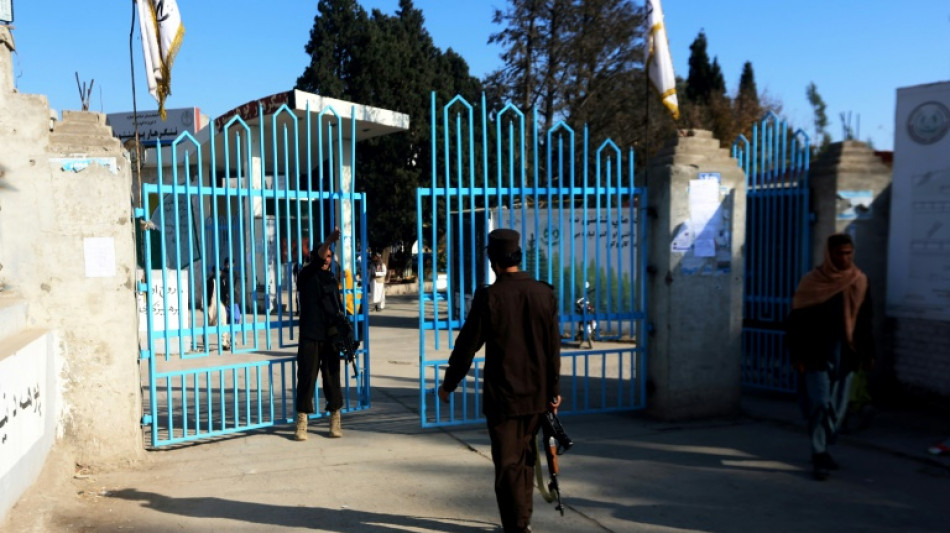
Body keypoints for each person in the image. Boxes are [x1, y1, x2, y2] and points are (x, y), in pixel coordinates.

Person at [438, 228, 561, 533]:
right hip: (537, 396)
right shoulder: (544, 293)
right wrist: (554, 391)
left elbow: (467, 345)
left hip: (504, 398)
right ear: (518, 255)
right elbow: (552, 348)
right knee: (527, 461)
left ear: (493, 260)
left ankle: (517, 527)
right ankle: (523, 523)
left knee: (508, 467)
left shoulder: (490, 297)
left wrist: (450, 383)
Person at [786, 233, 874, 481]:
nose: (844, 258)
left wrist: (869, 353)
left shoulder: (860, 281)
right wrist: (797, 355)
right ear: (829, 254)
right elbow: (796, 323)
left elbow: (866, 320)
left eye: (848, 253)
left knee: (837, 408)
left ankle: (824, 444)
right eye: (839, 253)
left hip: (846, 354)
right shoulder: (811, 282)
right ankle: (819, 454)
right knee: (820, 403)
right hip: (815, 354)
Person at [294, 227, 346, 440]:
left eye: (330, 256)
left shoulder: (332, 279)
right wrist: (329, 240)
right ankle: (302, 421)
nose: (327, 259)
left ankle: (335, 417)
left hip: (330, 335)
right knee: (306, 378)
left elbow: (337, 305)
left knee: (332, 378)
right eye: (324, 255)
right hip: (310, 335)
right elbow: (317, 259)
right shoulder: (306, 274)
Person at [205, 264, 231, 351]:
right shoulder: (209, 281)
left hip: (221, 304)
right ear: (213, 272)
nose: (219, 273)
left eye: (219, 271)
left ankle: (223, 343)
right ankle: (205, 339)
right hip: (211, 304)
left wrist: (226, 302)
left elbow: (226, 292)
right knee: (209, 323)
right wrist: (203, 305)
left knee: (223, 323)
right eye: (217, 271)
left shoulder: (222, 280)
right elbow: (205, 294)